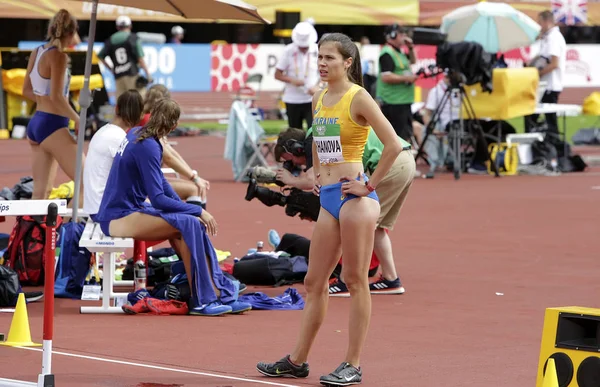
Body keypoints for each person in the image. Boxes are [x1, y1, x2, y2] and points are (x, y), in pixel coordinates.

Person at [257, 32, 403, 385]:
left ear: (348, 63)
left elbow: (394, 145)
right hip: (330, 199)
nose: (321, 63)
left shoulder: (359, 97)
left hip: (356, 200)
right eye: (319, 57)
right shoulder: (319, 98)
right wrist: (318, 176)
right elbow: (320, 144)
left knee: (354, 279)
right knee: (313, 280)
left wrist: (369, 185)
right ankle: (297, 360)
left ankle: (352, 364)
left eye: (330, 58)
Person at [94, 99, 251, 316]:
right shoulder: (147, 145)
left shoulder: (139, 133)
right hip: (117, 216)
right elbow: (158, 199)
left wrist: (185, 208)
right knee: (189, 222)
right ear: (174, 126)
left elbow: (161, 183)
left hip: (121, 210)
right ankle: (204, 299)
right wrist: (198, 210)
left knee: (187, 225)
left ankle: (213, 294)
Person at [274, 124, 413, 296]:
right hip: (403, 161)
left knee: (350, 222)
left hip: (388, 163)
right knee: (376, 226)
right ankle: (391, 279)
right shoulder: (324, 128)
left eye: (289, 159)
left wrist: (291, 180)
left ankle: (346, 281)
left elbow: (311, 180)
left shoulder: (314, 136)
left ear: (296, 147)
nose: (293, 164)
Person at [22, 9, 85, 202]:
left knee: (41, 194)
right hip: (53, 125)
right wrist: (78, 118)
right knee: (87, 182)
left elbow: (26, 91)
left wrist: (44, 102)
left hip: (37, 123)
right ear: (71, 32)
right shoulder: (59, 56)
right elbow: (57, 97)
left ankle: (32, 232)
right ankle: (71, 230)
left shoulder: (37, 52)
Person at [139, 84, 210, 203]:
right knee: (195, 190)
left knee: (195, 187)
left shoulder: (146, 118)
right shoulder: (149, 121)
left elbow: (170, 152)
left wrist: (193, 175)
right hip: (143, 182)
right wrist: (194, 178)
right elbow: (168, 157)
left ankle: (196, 220)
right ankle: (195, 221)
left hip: (149, 177)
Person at [83, 90, 144, 217]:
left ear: (116, 109)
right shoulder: (118, 138)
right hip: (106, 211)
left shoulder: (103, 131)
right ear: (139, 116)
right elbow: (139, 177)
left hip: (98, 206)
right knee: (169, 219)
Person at [525, 10, 567, 136]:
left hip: (549, 85)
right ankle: (550, 143)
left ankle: (550, 144)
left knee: (542, 117)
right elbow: (543, 57)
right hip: (546, 84)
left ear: (547, 21)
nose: (539, 26)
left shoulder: (554, 38)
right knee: (544, 118)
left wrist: (537, 74)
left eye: (540, 22)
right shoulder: (548, 38)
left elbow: (554, 63)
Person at [376, 23, 418, 142]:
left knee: (406, 135)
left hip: (402, 101)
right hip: (393, 102)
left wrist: (410, 47)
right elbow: (386, 76)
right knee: (397, 138)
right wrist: (406, 79)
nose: (404, 37)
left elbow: (413, 61)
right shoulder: (387, 53)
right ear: (392, 35)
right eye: (401, 34)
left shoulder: (398, 51)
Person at [275, 21, 320, 130]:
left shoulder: (317, 50)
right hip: (292, 99)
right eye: (301, 46)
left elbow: (324, 73)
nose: (303, 48)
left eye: (305, 46)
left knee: (313, 132)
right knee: (295, 133)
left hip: (312, 99)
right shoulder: (288, 50)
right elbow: (277, 74)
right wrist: (291, 80)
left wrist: (318, 87)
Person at [98, 16, 153, 100]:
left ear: (117, 27)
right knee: (140, 99)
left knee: (121, 102)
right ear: (130, 26)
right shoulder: (133, 38)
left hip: (118, 76)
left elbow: (100, 56)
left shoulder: (110, 40)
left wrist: (111, 69)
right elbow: (140, 58)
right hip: (132, 73)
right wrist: (148, 74)